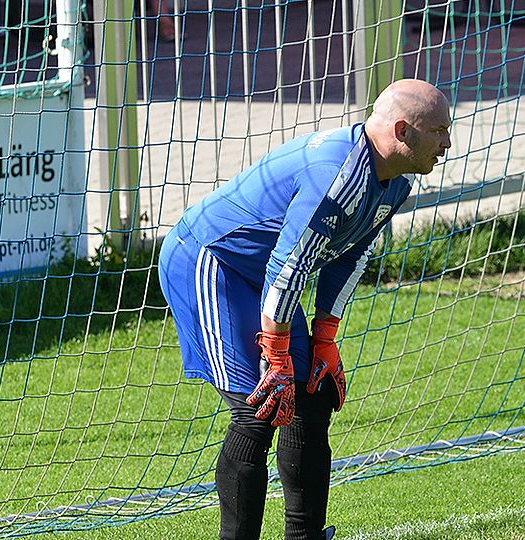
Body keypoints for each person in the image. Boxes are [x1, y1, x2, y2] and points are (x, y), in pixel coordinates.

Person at [158, 78, 452, 540]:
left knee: (312, 395)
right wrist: (276, 355)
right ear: (403, 131)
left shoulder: (395, 182)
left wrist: (325, 340)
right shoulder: (335, 177)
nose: (447, 143)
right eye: (439, 130)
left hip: (266, 277)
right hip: (210, 262)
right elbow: (290, 264)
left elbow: (349, 257)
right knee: (258, 408)